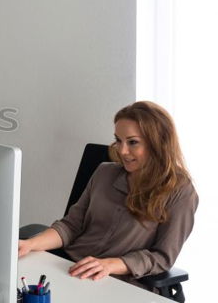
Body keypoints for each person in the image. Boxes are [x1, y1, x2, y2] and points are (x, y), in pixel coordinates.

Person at [18, 101, 198, 286]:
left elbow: (162, 257)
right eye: (118, 140)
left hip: (118, 280)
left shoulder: (181, 192)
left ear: (158, 143)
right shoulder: (104, 172)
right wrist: (30, 244)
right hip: (69, 266)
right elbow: (71, 226)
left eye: (133, 142)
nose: (122, 150)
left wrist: (111, 264)